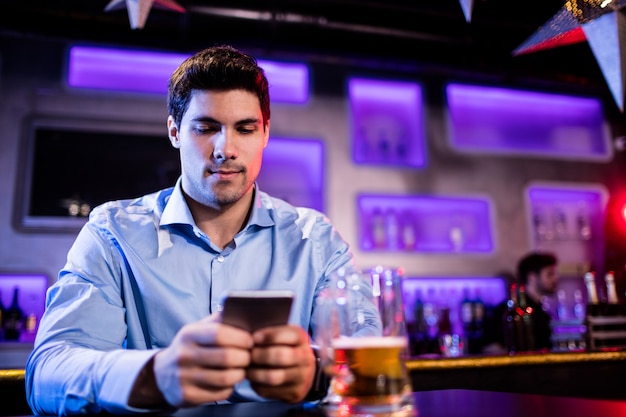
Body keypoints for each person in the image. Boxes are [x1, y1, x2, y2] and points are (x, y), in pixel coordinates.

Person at [25, 45, 371, 415]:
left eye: (245, 128)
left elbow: (369, 351)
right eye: (206, 128)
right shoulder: (111, 235)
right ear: (174, 131)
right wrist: (154, 375)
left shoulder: (315, 239)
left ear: (265, 133)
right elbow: (48, 372)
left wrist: (318, 373)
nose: (226, 148)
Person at [481, 251, 559, 353]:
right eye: (550, 274)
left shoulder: (542, 312)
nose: (556, 278)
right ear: (532, 277)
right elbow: (488, 345)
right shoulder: (508, 311)